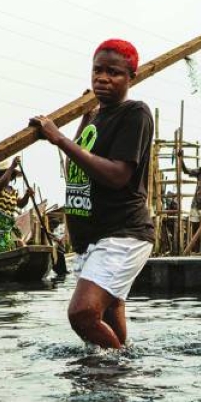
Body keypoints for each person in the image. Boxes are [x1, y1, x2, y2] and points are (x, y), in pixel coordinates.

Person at [30, 39, 155, 350]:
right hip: (93, 237)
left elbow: (117, 175)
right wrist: (85, 116)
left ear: (131, 78)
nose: (103, 78)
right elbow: (81, 160)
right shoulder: (96, 117)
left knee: (82, 314)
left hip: (122, 233)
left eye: (113, 72)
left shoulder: (135, 114)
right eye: (97, 70)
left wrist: (58, 138)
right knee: (109, 316)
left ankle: (120, 372)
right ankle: (114, 384)